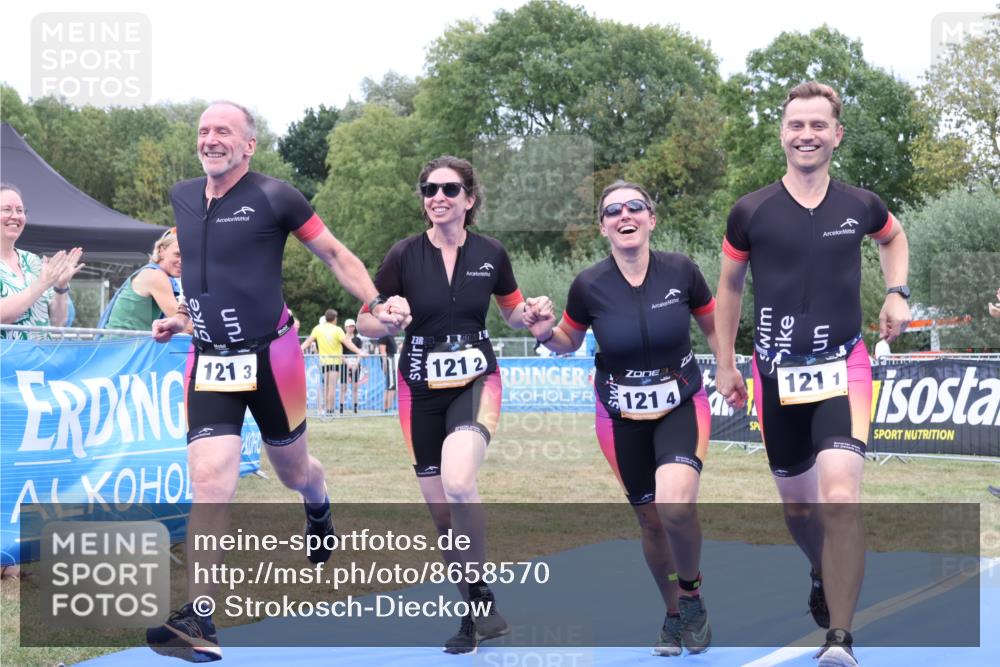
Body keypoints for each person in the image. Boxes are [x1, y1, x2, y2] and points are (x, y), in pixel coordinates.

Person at [145, 101, 407, 663]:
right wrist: (184, 318)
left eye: (223, 131)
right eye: (203, 131)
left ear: (248, 145)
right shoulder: (184, 196)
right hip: (210, 358)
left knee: (293, 471)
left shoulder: (276, 196)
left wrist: (376, 302)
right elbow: (212, 276)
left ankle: (317, 502)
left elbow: (333, 253)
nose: (210, 139)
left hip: (273, 357)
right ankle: (200, 617)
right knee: (210, 480)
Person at [714, 82, 911, 667]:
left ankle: (840, 641)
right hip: (774, 376)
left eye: (818, 125)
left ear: (836, 135)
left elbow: (894, 237)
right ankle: (820, 570)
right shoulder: (750, 211)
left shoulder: (860, 205)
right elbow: (728, 287)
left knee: (841, 496)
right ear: (782, 133)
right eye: (796, 124)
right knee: (799, 509)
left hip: (843, 367)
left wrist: (897, 293)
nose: (807, 134)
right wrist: (726, 362)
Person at [357, 155, 551, 654]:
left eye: (448, 189)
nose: (436, 197)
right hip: (418, 389)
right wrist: (388, 318)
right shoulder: (402, 255)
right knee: (442, 514)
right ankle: (473, 607)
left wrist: (530, 313)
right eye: (428, 190)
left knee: (460, 482)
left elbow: (511, 313)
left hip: (475, 382)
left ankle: (476, 599)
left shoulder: (491, 252)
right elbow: (365, 321)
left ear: (469, 198)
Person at [532, 181, 717, 657]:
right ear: (603, 227)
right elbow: (567, 341)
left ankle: (692, 594)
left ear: (651, 218)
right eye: (613, 210)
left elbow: (714, 320)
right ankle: (673, 614)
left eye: (635, 206)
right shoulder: (589, 284)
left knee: (676, 507)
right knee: (652, 522)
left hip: (680, 405)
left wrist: (731, 367)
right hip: (619, 415)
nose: (625, 215)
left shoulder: (680, 270)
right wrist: (542, 332)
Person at [1, 183, 84, 339]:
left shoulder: (32, 261)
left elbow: (58, 322)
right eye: (7, 209)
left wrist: (60, 287)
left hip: (40, 359)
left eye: (20, 210)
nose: (15, 216)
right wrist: (41, 285)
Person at [104, 228, 190, 332]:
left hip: (123, 344)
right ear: (161, 251)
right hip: (123, 346)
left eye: (188, 256)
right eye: (177, 254)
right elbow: (185, 327)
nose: (182, 261)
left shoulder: (151, 272)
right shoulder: (155, 276)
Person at [300, 309, 365, 416]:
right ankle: (329, 410)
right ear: (335, 319)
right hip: (334, 362)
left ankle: (326, 409)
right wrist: (359, 352)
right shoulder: (337, 330)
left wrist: (298, 350)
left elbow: (307, 342)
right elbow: (348, 343)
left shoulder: (317, 329)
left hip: (324, 362)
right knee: (332, 387)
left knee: (325, 387)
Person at [339, 318, 367, 413]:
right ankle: (341, 408)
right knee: (343, 387)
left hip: (355, 364)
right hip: (344, 364)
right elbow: (339, 353)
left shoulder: (358, 340)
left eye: (353, 326)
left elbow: (360, 352)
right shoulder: (342, 339)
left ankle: (355, 408)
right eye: (349, 326)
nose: (351, 328)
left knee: (355, 387)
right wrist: (346, 362)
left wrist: (356, 363)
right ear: (345, 327)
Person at [378, 333, 398, 412]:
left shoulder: (390, 335)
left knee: (389, 386)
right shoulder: (384, 335)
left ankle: (386, 408)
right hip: (389, 362)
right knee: (391, 386)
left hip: (392, 362)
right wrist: (385, 364)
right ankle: (388, 409)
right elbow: (383, 351)